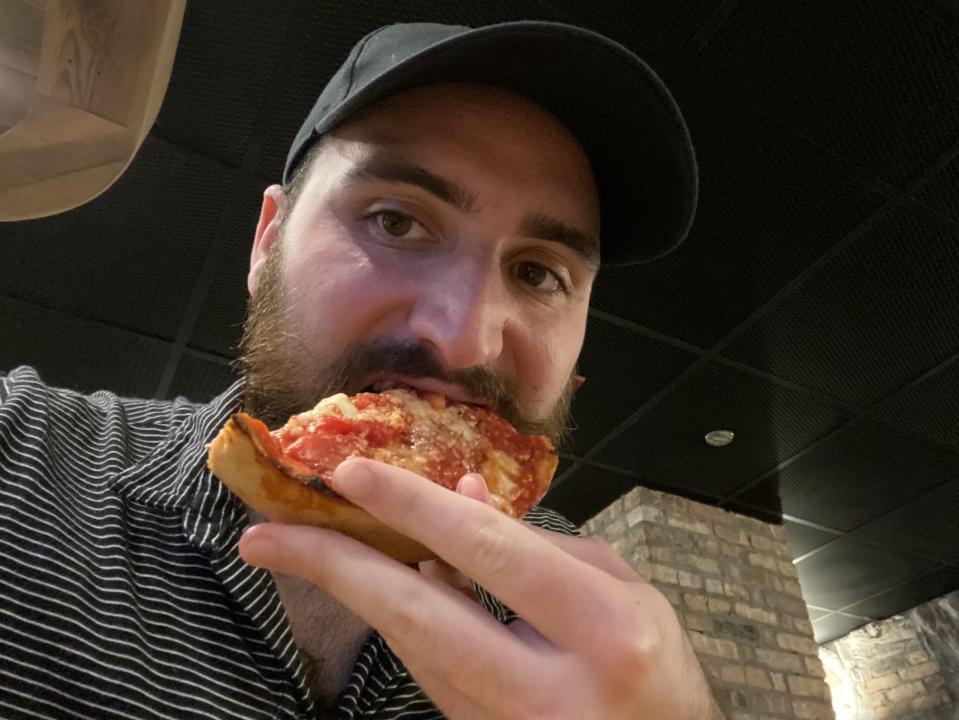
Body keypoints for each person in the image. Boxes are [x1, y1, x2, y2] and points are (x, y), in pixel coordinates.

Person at [0, 20, 721, 720]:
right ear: (268, 242)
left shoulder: (601, 636)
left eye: (538, 272)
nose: (463, 339)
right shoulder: (20, 450)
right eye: (396, 221)